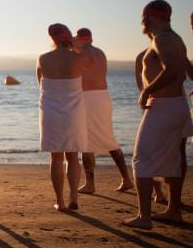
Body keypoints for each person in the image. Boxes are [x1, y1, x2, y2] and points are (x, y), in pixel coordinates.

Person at [124, 0, 192, 229]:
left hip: (163, 106)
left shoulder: (163, 39)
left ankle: (144, 217)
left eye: (147, 16)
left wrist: (147, 91)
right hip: (175, 105)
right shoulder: (174, 39)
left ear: (157, 17)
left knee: (140, 159)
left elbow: (173, 71)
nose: (144, 20)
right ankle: (174, 211)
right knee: (173, 159)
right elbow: (186, 70)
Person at [37, 23, 93, 211]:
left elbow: (41, 85)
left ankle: (60, 201)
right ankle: (74, 197)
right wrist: (76, 46)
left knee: (56, 157)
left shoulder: (43, 59)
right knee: (73, 156)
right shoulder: (78, 58)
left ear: (51, 38)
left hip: (51, 112)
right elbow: (92, 63)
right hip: (73, 113)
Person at [71, 28, 134, 194]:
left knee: (86, 141)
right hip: (103, 97)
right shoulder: (99, 52)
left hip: (89, 98)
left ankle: (90, 183)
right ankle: (126, 179)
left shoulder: (83, 54)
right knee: (107, 138)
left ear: (80, 40)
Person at [134, 44, 168, 204]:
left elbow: (141, 85)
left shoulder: (145, 55)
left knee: (150, 152)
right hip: (154, 103)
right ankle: (161, 194)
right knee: (155, 150)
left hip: (156, 102)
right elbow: (140, 83)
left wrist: (147, 93)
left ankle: (163, 195)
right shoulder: (143, 56)